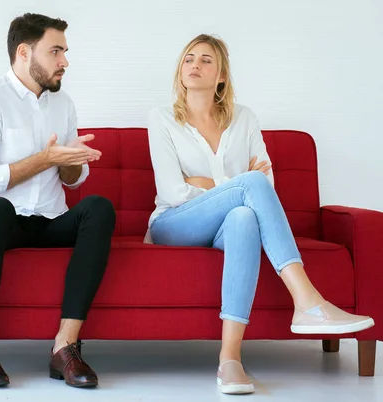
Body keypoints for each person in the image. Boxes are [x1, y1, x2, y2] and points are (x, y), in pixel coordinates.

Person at [146, 33, 374, 395]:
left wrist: (210, 183)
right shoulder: (161, 119)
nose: (195, 65)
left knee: (244, 218)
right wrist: (235, 184)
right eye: (189, 58)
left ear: (221, 75)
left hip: (225, 221)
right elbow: (174, 192)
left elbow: (266, 184)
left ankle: (230, 360)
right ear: (180, 69)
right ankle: (308, 301)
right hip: (175, 223)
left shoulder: (244, 118)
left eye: (206, 59)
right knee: (247, 187)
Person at [0, 13, 115, 388]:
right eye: (56, 51)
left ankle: (65, 347)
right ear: (24, 52)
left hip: (50, 218)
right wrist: (45, 158)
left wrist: (70, 162)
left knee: (98, 207)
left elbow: (74, 182)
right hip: (2, 224)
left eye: (64, 51)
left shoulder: (63, 105)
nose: (65, 61)